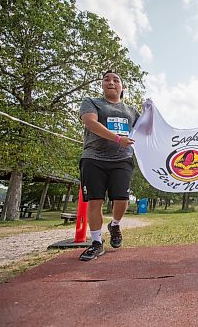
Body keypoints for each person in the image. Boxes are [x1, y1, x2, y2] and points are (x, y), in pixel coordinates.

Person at [78, 70, 140, 261]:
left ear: (123, 87)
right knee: (95, 201)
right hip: (94, 158)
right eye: (106, 79)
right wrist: (117, 138)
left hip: (122, 160)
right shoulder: (92, 102)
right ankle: (96, 243)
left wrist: (152, 111)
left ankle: (114, 224)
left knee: (121, 199)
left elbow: (149, 130)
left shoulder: (132, 111)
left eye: (116, 80)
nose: (111, 82)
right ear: (102, 85)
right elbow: (90, 123)